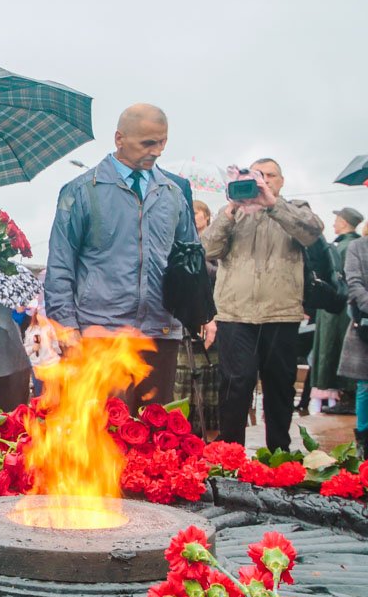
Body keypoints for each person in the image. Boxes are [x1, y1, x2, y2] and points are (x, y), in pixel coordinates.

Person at [44, 104, 200, 407]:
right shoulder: (80, 191)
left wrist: (197, 311)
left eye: (162, 141)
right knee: (105, 435)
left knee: (156, 437)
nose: (157, 151)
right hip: (99, 332)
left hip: (160, 332)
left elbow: (190, 255)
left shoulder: (173, 192)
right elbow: (60, 265)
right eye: (147, 143)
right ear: (119, 138)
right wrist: (66, 328)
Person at [203, 158, 323, 452]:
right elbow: (208, 248)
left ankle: (279, 453)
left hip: (280, 313)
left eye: (270, 176)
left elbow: (312, 232)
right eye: (258, 175)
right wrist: (232, 208)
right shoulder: (231, 213)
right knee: (236, 383)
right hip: (235, 313)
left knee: (279, 387)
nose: (264, 180)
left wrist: (271, 204)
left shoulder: (295, 209)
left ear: (280, 181)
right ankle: (230, 454)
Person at [173, 199, 221, 439]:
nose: (192, 216)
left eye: (197, 212)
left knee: (206, 378)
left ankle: (206, 431)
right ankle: (183, 428)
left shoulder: (215, 244)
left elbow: (219, 276)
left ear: (207, 216)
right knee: (182, 379)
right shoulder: (180, 241)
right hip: (185, 317)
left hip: (212, 315)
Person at [313, 207, 363, 415]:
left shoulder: (345, 246)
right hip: (342, 308)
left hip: (337, 311)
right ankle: (346, 395)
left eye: (337, 220)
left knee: (333, 350)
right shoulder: (352, 244)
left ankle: (346, 395)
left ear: (344, 222)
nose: (334, 224)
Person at [337, 232, 368, 457]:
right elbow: (354, 282)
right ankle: (364, 444)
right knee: (365, 386)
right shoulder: (358, 246)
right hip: (365, 325)